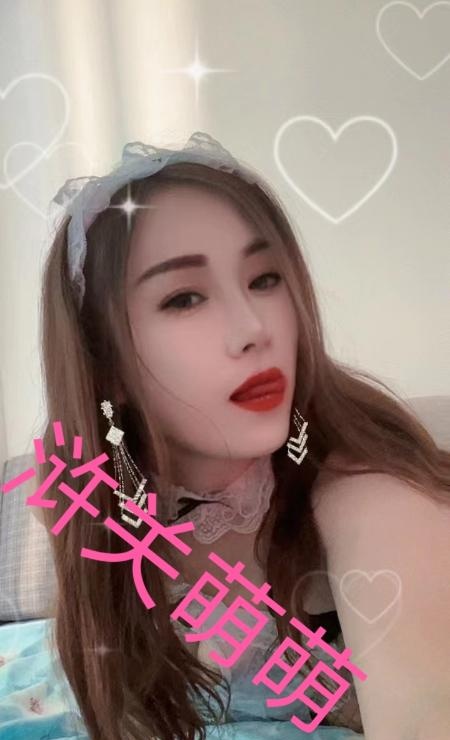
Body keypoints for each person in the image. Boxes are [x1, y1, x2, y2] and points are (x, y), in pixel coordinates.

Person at [36, 132, 450, 740]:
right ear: (107, 364)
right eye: (185, 298)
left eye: (264, 279)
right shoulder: (89, 494)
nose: (254, 328)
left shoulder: (372, 495)